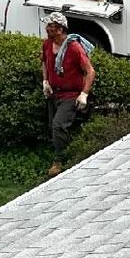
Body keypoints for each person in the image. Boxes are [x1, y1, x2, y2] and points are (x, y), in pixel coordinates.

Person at [41, 12, 93, 174]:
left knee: (58, 125)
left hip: (70, 96)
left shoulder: (74, 48)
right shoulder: (47, 44)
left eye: (50, 26)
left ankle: (59, 161)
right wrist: (46, 81)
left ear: (60, 29)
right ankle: (72, 152)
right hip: (54, 94)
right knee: (53, 126)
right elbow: (44, 62)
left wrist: (84, 94)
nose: (47, 28)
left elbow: (90, 71)